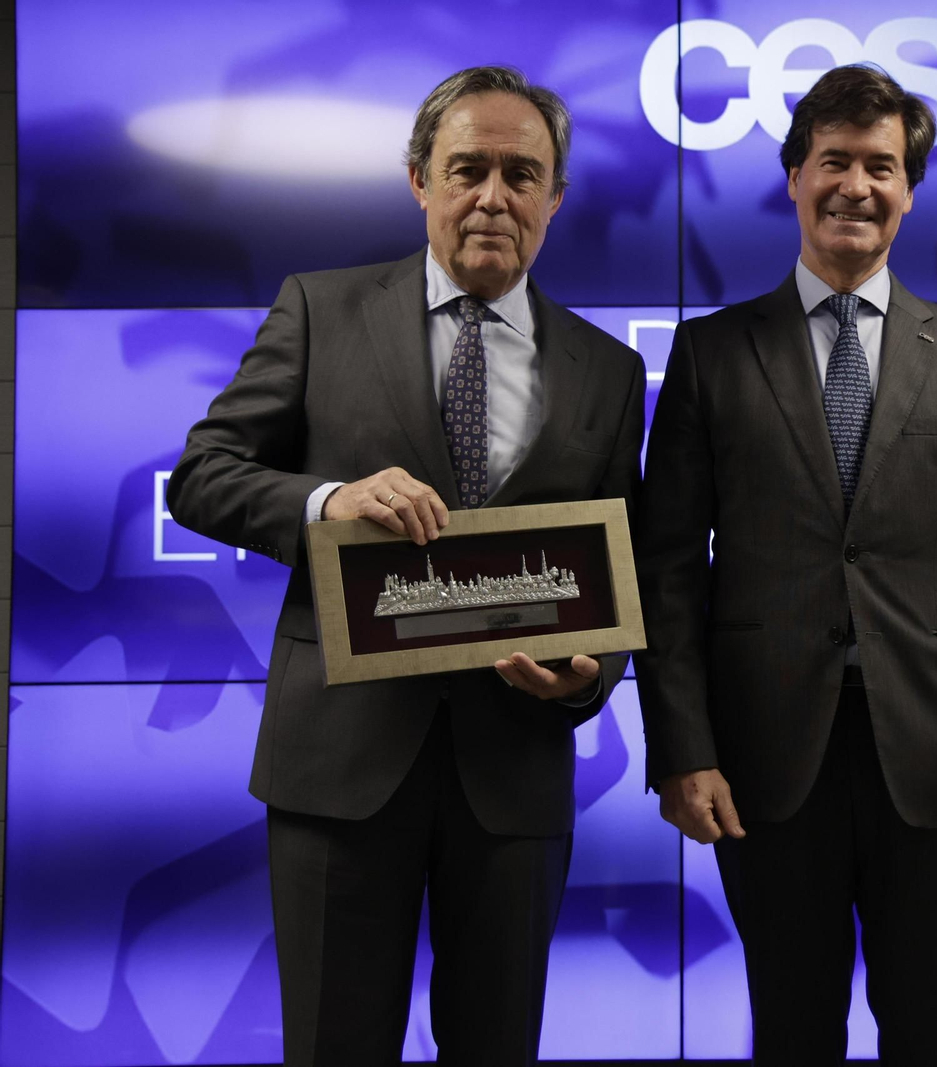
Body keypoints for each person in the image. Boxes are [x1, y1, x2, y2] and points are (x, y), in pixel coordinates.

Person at [166, 66, 644, 1066]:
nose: (493, 195)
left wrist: (591, 675)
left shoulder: (611, 367)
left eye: (522, 174)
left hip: (512, 777)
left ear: (554, 198)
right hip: (337, 768)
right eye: (467, 167)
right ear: (418, 177)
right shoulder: (319, 311)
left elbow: (620, 567)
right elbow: (202, 476)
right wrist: (323, 502)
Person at [635, 64, 937, 1066]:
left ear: (909, 188)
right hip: (760, 759)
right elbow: (666, 570)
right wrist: (679, 746)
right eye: (834, 161)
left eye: (882, 165)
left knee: (931, 1030)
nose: (856, 186)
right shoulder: (709, 354)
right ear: (794, 177)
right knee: (790, 1026)